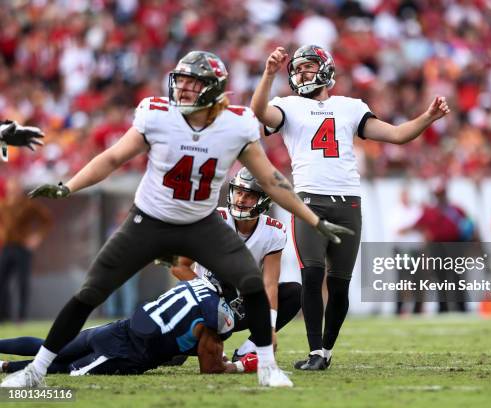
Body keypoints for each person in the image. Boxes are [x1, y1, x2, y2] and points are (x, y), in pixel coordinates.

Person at [1, 50, 352, 388]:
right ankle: (37, 370)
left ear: (213, 88)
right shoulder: (156, 114)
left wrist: (313, 220)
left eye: (192, 82)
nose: (182, 89)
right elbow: (112, 158)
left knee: (250, 282)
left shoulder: (237, 123)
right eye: (180, 81)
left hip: (201, 222)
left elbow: (273, 180)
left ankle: (267, 367)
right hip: (150, 218)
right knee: (90, 292)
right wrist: (68, 186)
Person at [250, 45, 450, 370]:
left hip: (348, 202)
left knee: (340, 283)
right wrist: (269, 74)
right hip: (308, 202)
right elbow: (259, 111)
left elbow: (397, 135)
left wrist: (427, 117)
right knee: (311, 276)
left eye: (308, 67)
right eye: (297, 69)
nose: (301, 73)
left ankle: (326, 351)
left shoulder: (349, 107)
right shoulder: (287, 105)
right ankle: (315, 351)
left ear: (326, 69)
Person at [0, 278, 258, 375]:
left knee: (50, 347)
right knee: (65, 368)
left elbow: (183, 331)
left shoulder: (196, 285)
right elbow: (210, 368)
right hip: (125, 354)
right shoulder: (216, 315)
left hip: (118, 328)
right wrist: (238, 366)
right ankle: (6, 367)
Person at [170, 167, 302, 359]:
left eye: (249, 195)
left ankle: (249, 349)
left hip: (239, 305)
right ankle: (194, 341)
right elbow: (178, 265)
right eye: (239, 192)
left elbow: (269, 284)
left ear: (264, 199)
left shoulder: (273, 232)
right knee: (171, 356)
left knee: (294, 293)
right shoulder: (214, 220)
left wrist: (269, 328)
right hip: (203, 303)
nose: (241, 200)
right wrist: (207, 294)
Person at [0, 178, 52, 322]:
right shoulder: (3, 205)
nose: (13, 190)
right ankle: (4, 315)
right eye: (11, 187)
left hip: (22, 248)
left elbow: (46, 220)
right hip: (6, 247)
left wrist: (37, 237)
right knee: (2, 281)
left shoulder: (29, 205)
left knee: (22, 283)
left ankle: (21, 317)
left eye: (16, 187)